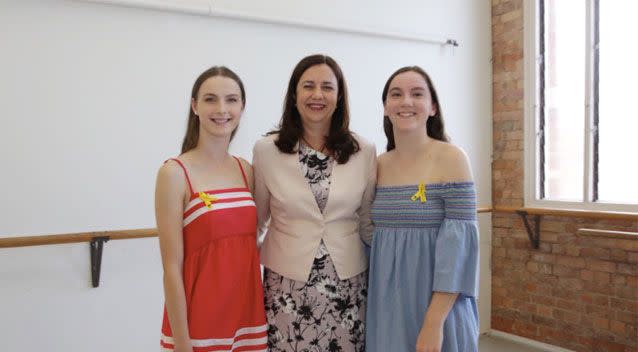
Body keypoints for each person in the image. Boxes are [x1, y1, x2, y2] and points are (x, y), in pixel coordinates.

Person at [252, 54, 376, 352]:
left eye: (327, 87)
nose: (317, 95)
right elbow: (257, 221)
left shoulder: (364, 151)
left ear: (339, 96)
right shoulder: (267, 150)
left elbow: (367, 223)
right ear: (294, 96)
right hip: (285, 284)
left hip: (348, 283)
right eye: (308, 86)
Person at [365, 66, 479, 352]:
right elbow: (369, 236)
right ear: (385, 108)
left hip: (439, 309)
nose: (406, 101)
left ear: (432, 108)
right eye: (396, 94)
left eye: (417, 94)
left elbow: (459, 251)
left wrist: (433, 322)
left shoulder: (452, 158)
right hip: (388, 308)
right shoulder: (377, 165)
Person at [155, 66, 267, 352]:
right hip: (199, 328)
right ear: (194, 106)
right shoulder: (175, 173)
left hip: (246, 323)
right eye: (210, 99)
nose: (221, 109)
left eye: (231, 99)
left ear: (242, 106)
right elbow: (171, 268)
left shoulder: (246, 170)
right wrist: (182, 345)